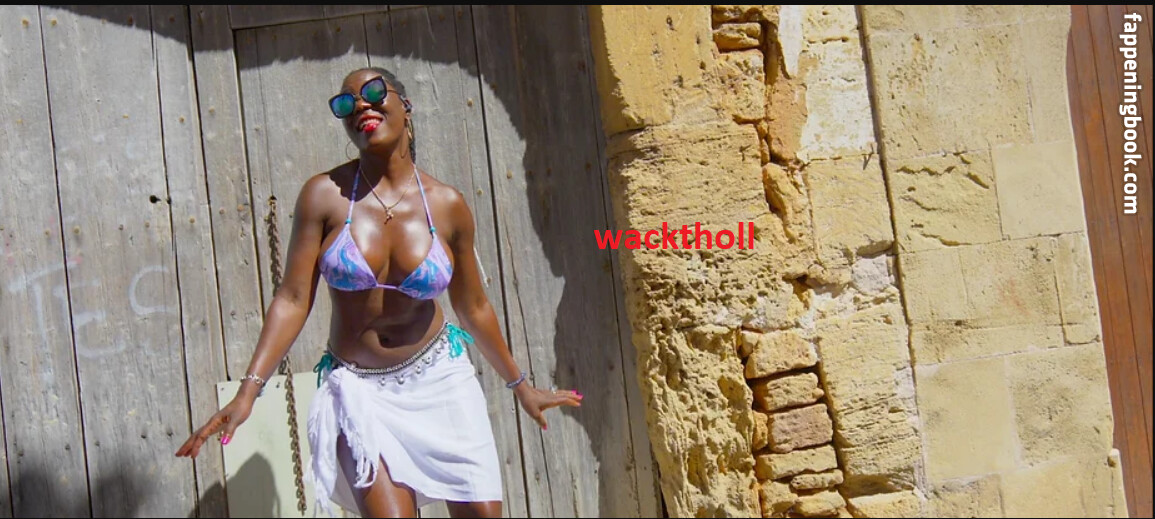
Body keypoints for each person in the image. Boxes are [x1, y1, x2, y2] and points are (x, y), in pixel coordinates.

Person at [176, 67, 582, 518]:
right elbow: (292, 299)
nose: (360, 106)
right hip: (359, 391)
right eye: (346, 103)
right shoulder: (324, 196)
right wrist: (249, 392)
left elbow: (473, 306)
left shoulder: (447, 205)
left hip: (440, 382)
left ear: (405, 106)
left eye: (373, 91)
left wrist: (521, 386)